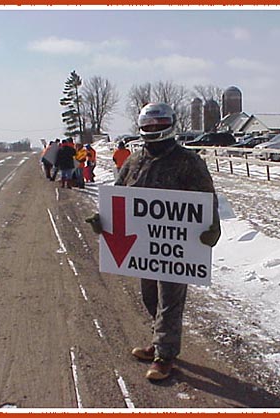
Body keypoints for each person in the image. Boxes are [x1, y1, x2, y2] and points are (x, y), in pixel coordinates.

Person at [86, 102, 221, 381]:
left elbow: (207, 199)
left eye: (159, 125)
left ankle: (164, 356)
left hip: (176, 247)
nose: (154, 130)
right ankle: (159, 342)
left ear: (170, 125)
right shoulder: (135, 160)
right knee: (150, 297)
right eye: (149, 126)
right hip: (144, 246)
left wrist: (213, 228)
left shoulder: (188, 161)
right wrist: (105, 219)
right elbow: (119, 194)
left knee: (170, 300)